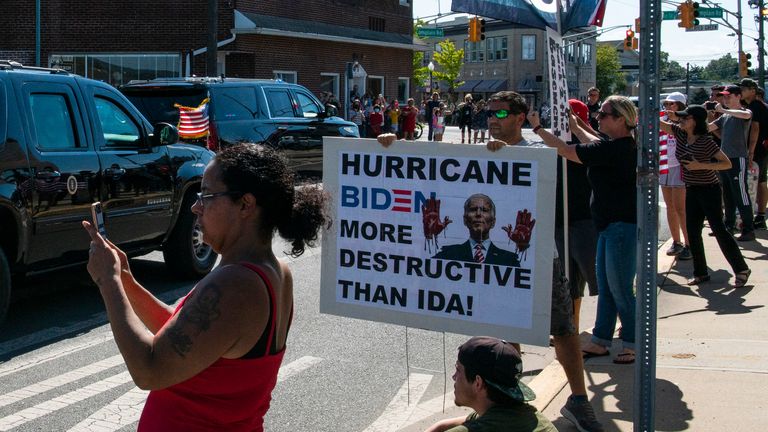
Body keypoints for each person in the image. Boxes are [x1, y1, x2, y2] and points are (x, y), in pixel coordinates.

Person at [83, 144, 329, 431]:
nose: (195, 206)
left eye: (207, 195)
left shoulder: (236, 285)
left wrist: (109, 283)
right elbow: (187, 336)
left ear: (245, 205)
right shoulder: (272, 272)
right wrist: (126, 279)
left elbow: (149, 370)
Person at [484, 91, 605, 432]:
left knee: (563, 330)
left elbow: (568, 161)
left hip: (540, 259)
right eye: (489, 113)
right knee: (505, 334)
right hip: (498, 262)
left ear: (521, 118)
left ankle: (579, 401)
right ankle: (509, 401)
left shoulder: (541, 153)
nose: (493, 118)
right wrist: (389, 144)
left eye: (502, 112)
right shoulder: (477, 154)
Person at [527, 95, 638, 367]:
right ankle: (600, 340)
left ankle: (634, 343)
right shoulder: (615, 146)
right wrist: (576, 126)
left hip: (620, 227)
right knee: (609, 289)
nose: (598, 118)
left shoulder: (621, 148)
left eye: (604, 114)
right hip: (608, 227)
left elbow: (567, 151)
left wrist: (539, 129)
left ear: (621, 119)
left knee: (621, 289)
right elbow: (593, 143)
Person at [660, 105, 752, 287]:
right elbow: (662, 125)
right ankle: (700, 273)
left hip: (709, 190)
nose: (682, 120)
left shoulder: (706, 141)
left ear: (695, 121)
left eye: (685, 118)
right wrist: (659, 112)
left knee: (719, 230)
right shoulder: (681, 134)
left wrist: (700, 165)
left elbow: (725, 164)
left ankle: (741, 269)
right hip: (692, 189)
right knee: (693, 232)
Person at [425, 336, 557, 432]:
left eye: (458, 370)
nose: (454, 377)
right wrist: (439, 425)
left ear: (478, 383)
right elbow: (458, 422)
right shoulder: (527, 414)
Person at [555, 99, 599, 330]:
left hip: (586, 222)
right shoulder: (550, 144)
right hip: (560, 222)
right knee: (568, 285)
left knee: (600, 280)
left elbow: (602, 148)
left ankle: (622, 324)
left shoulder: (593, 145)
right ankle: (572, 327)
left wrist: (578, 130)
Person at [709, 85, 756, 241]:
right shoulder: (725, 117)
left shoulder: (743, 112)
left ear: (738, 96)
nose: (725, 99)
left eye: (729, 96)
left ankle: (748, 229)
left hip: (738, 159)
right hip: (725, 160)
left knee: (741, 194)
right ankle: (729, 225)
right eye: (724, 96)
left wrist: (724, 110)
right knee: (728, 195)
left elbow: (746, 116)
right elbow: (709, 128)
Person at [433, 193, 521, 267]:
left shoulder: (509, 260)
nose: (478, 214)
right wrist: (430, 237)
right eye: (473, 209)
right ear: (465, 220)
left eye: (484, 210)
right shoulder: (448, 254)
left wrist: (522, 246)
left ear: (493, 222)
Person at [660, 92, 692, 259]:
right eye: (666, 104)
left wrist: (675, 119)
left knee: (681, 208)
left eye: (671, 104)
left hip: (679, 167)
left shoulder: (685, 123)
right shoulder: (664, 121)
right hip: (665, 165)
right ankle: (676, 242)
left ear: (680, 106)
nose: (668, 107)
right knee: (670, 207)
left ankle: (689, 244)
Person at [739, 78, 768, 230]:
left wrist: (750, 151)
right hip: (762, 149)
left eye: (744, 89)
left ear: (752, 90)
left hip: (757, 151)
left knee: (755, 183)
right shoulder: (758, 105)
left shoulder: (755, 106)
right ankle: (761, 216)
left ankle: (756, 217)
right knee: (761, 181)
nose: (741, 92)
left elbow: (755, 129)